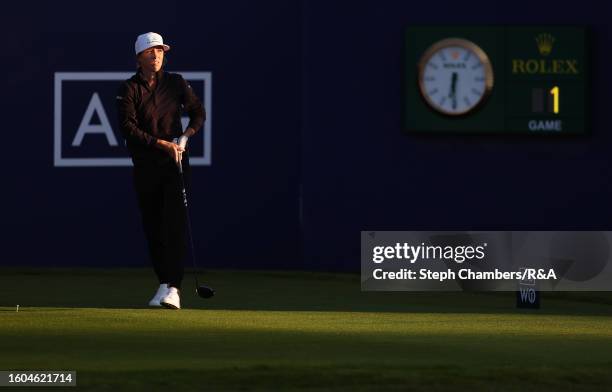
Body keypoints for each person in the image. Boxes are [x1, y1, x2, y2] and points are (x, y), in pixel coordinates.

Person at [116, 32, 205, 309]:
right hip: (146, 166)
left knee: (174, 225)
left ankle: (175, 288)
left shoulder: (176, 82)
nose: (155, 56)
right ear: (139, 58)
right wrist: (160, 143)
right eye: (149, 52)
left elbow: (198, 112)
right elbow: (128, 128)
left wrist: (185, 137)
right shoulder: (129, 89)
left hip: (175, 165)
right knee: (153, 227)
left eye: (160, 51)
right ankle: (165, 283)